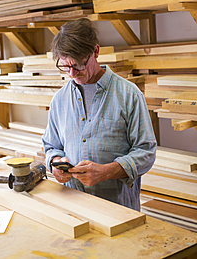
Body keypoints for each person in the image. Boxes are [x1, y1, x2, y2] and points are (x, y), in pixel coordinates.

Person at [42, 18, 157, 211]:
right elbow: (51, 146)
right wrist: (55, 163)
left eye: (78, 65)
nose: (71, 73)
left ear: (95, 51)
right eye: (65, 66)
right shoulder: (59, 100)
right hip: (74, 205)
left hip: (118, 208)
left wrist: (106, 172)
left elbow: (146, 152)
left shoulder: (129, 94)